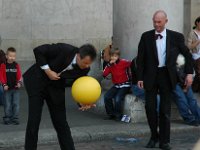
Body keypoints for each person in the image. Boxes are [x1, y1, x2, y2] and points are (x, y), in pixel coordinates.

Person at [136, 10, 193, 150]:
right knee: (150, 108)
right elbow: (140, 59)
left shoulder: (176, 37)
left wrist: (189, 73)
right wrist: (139, 77)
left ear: (166, 21)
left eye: (159, 22)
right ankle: (153, 137)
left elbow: (187, 55)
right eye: (154, 21)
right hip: (150, 76)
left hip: (167, 76)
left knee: (165, 110)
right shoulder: (146, 36)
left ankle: (164, 141)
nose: (156, 24)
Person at [23, 43, 97, 150]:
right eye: (85, 63)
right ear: (78, 55)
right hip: (37, 82)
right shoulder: (63, 49)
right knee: (34, 121)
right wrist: (48, 71)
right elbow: (38, 50)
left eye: (89, 64)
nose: (87, 66)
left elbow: (78, 86)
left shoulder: (85, 70)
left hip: (56, 89)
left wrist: (81, 101)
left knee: (61, 122)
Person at [103, 48, 131, 121]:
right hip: (116, 85)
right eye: (112, 56)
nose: (113, 58)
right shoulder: (110, 65)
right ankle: (111, 114)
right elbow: (104, 74)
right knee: (106, 96)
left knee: (117, 98)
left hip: (125, 85)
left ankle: (118, 115)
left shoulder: (123, 62)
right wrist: (109, 65)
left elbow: (132, 63)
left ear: (118, 56)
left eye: (115, 56)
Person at [173, 54, 200, 126]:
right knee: (181, 99)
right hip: (173, 81)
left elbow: (190, 71)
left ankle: (198, 117)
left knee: (191, 99)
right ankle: (189, 119)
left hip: (184, 79)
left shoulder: (184, 54)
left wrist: (186, 85)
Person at [0, 47, 22, 125]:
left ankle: (15, 118)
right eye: (10, 56)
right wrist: (4, 84)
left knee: (16, 104)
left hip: (15, 88)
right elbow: (1, 76)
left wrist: (19, 82)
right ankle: (7, 118)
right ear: (6, 56)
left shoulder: (16, 65)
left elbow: (19, 75)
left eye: (14, 56)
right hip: (7, 89)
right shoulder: (3, 65)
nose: (12, 58)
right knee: (8, 104)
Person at [187, 16, 200, 92]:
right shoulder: (192, 33)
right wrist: (198, 41)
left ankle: (195, 88)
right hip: (196, 56)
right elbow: (189, 47)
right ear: (198, 23)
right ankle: (194, 88)